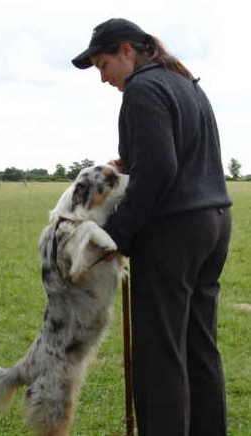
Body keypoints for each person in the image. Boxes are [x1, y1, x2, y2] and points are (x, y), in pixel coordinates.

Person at [72, 18, 232, 436]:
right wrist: (137, 166)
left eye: (103, 65)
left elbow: (161, 170)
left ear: (127, 50)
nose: (103, 78)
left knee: (160, 353)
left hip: (173, 232)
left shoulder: (143, 90)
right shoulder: (185, 84)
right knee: (199, 345)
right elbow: (175, 159)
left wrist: (116, 235)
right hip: (213, 224)